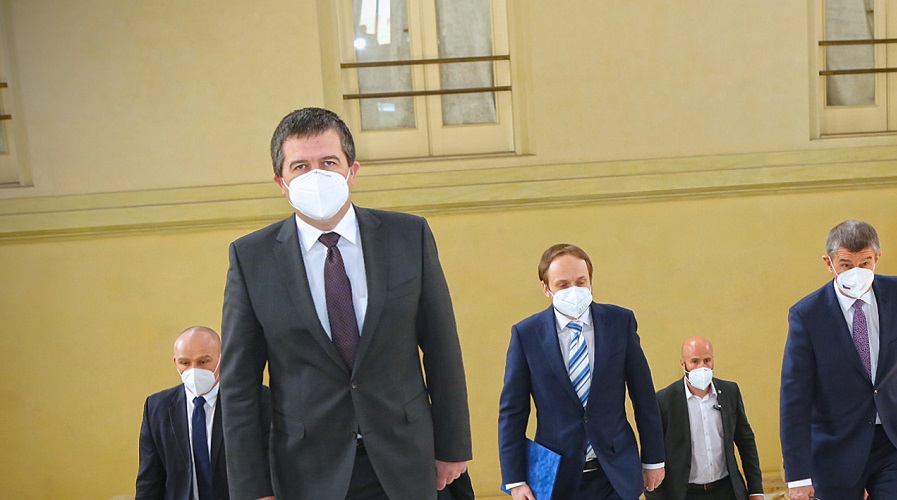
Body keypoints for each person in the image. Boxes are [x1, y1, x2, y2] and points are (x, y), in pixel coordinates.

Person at [221, 107, 472, 499]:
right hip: (307, 469)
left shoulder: (408, 236)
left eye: (328, 162)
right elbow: (239, 384)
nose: (316, 176)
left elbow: (442, 348)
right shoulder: (251, 258)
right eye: (300, 166)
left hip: (404, 458)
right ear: (281, 182)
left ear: (352, 171)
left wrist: (453, 446)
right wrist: (252, 487)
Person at [780, 220, 897, 500]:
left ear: (877, 258)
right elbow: (795, 398)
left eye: (865, 263)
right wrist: (798, 475)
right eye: (846, 264)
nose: (856, 272)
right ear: (829, 263)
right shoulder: (807, 315)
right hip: (838, 448)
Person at [498, 243, 666, 499]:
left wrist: (653, 459)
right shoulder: (527, 335)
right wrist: (515, 480)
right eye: (563, 285)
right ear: (546, 288)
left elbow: (643, 395)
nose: (574, 291)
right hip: (558, 476)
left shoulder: (620, 322)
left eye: (580, 282)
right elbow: (513, 412)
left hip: (616, 472)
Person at [136, 326, 270, 500]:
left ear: (222, 358)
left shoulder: (257, 400)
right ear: (175, 362)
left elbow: (273, 465)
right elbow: (149, 480)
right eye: (185, 363)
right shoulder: (156, 408)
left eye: (203, 362)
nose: (194, 370)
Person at [647, 337, 764, 500]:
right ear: (683, 364)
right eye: (695, 361)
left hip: (726, 490)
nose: (702, 367)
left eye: (707, 360)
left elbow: (746, 442)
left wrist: (756, 491)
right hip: (685, 493)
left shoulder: (730, 392)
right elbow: (653, 453)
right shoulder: (664, 401)